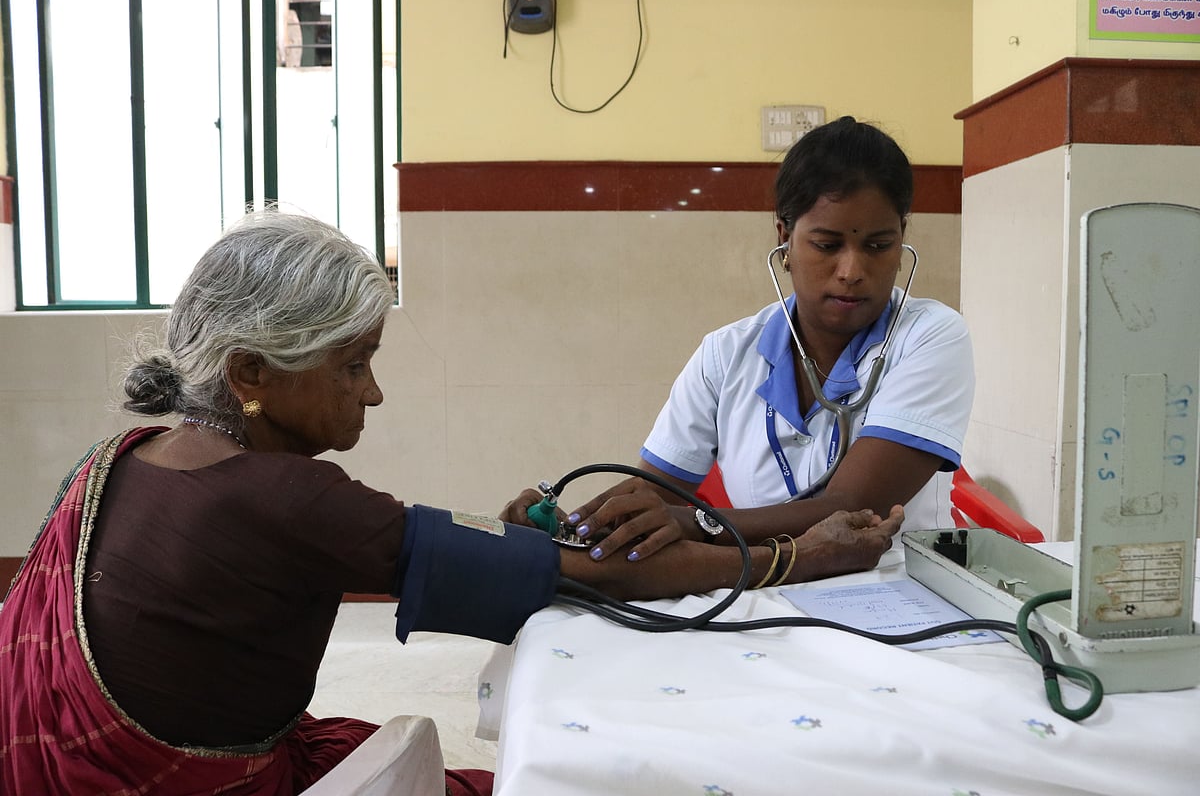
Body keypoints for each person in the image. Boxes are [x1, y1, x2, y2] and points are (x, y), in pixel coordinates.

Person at [0, 210, 902, 795]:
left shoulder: (120, 459)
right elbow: (591, 573)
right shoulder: (284, 496)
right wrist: (806, 556)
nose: (373, 392)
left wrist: (501, 542)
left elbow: (426, 540)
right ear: (250, 376)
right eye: (353, 365)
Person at [503, 116, 974, 565]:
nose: (851, 271)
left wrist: (695, 523)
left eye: (878, 245)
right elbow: (653, 496)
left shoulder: (931, 336)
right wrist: (569, 527)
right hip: (762, 592)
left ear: (901, 238)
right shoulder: (726, 355)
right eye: (827, 245)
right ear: (784, 238)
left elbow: (852, 508)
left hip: (899, 590)